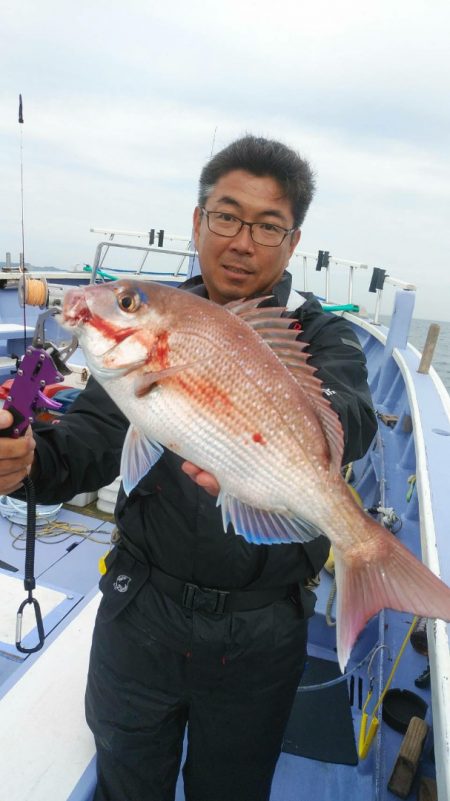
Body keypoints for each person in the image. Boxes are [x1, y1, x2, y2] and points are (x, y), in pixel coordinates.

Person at [0, 135, 377, 801]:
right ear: (198, 222)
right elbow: (81, 449)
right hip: (140, 615)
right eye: (226, 216)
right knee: (128, 782)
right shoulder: (153, 326)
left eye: (267, 225)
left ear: (292, 243)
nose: (242, 241)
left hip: (262, 635)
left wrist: (264, 424)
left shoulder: (319, 335)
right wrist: (23, 460)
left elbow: (351, 411)